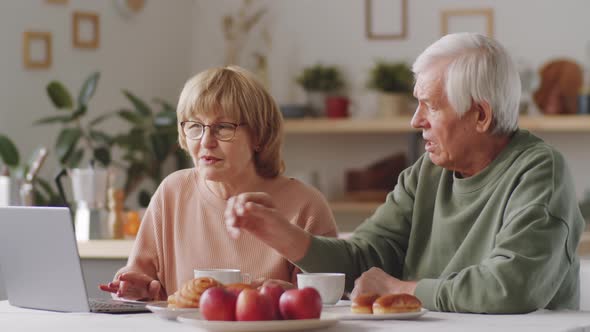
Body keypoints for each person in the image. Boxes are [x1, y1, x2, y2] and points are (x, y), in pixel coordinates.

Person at [224, 33, 585, 313]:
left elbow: (512, 286)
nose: (416, 120)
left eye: (429, 105)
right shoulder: (425, 173)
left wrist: (402, 290)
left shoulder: (539, 172)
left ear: (480, 116)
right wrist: (284, 235)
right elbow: (364, 261)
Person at [100, 66, 338, 301]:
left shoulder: (307, 206)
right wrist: (135, 289)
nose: (206, 141)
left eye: (223, 127)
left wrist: (285, 294)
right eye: (194, 126)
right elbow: (139, 278)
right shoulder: (172, 192)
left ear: (259, 135)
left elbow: (327, 304)